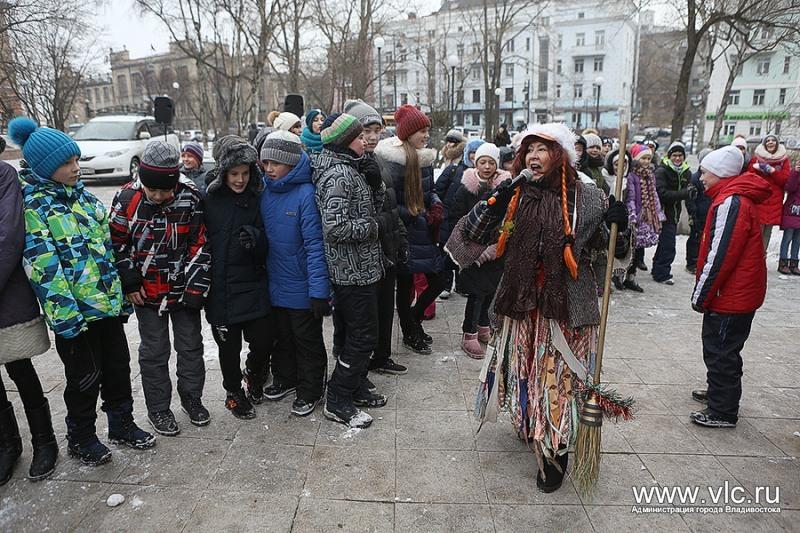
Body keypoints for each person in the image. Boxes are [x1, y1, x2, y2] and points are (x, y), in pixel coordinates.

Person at [458, 123, 628, 492]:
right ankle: (530, 421)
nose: (534, 156)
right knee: (525, 370)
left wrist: (620, 228)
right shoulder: (515, 193)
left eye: (543, 149)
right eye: (529, 149)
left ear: (560, 155)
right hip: (520, 305)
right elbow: (468, 238)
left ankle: (555, 449)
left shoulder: (588, 198)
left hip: (565, 307)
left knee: (557, 378)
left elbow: (608, 251)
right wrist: (495, 202)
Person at [12, 117, 155, 466]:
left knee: (118, 368)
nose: (77, 167)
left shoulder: (87, 200)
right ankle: (81, 436)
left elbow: (108, 251)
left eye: (76, 159)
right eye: (67, 163)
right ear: (45, 168)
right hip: (75, 316)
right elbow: (45, 270)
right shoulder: (35, 208)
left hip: (107, 307)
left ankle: (121, 423)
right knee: (84, 378)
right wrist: (67, 319)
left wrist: (120, 297)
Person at [110, 141, 212, 437]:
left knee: (190, 347)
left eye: (164, 191)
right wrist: (130, 280)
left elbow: (200, 243)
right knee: (154, 352)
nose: (157, 196)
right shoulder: (126, 198)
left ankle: (192, 397)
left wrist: (195, 287)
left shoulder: (190, 197)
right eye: (152, 190)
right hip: (146, 292)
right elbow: (116, 242)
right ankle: (158, 407)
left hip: (183, 291)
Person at [313, 113, 389, 428]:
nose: (366, 140)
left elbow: (372, 205)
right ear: (345, 142)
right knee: (363, 337)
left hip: (363, 267)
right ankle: (338, 397)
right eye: (359, 136)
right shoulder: (338, 175)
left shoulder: (353, 168)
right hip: (351, 271)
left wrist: (375, 183)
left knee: (358, 335)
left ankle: (354, 386)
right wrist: (375, 227)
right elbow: (334, 228)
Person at [689, 146, 770, 428]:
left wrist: (701, 295)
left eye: (705, 172)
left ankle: (722, 410)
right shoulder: (730, 198)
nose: (701, 178)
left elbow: (721, 254)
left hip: (731, 296)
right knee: (721, 349)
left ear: (720, 173)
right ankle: (719, 393)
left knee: (721, 351)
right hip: (735, 293)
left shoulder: (731, 203)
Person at [259, 131, 330, 417]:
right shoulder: (264, 190)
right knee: (281, 338)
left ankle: (311, 388)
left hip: (301, 286)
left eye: (276, 163)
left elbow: (315, 246)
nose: (269, 169)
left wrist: (319, 292)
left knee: (306, 340)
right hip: (273, 283)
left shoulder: (306, 195)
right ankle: (285, 378)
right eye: (266, 162)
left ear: (291, 162)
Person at [203, 136, 271, 419]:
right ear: (223, 173)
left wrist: (256, 240)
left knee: (263, 341)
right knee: (228, 349)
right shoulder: (207, 199)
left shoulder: (257, 197)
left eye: (245, 173)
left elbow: (268, 239)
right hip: (220, 289)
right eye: (234, 174)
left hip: (252, 284)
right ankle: (233, 392)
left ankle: (254, 373)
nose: (240, 180)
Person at [0, 155, 57, 483]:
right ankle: (7, 444)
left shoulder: (4, 175)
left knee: (19, 367)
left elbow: (8, 237)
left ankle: (44, 441)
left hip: (6, 292)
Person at [343, 99, 409, 376]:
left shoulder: (380, 161)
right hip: (366, 253)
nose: (372, 137)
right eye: (365, 132)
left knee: (384, 309)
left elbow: (391, 207)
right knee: (364, 317)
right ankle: (360, 365)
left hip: (387, 248)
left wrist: (401, 240)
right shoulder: (350, 166)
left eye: (376, 131)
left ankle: (382, 356)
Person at [375, 105, 443, 355]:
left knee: (439, 280)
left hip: (424, 231)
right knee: (405, 287)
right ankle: (409, 331)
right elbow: (390, 202)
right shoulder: (393, 161)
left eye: (427, 130)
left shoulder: (424, 159)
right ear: (408, 133)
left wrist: (435, 205)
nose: (426, 135)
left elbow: (430, 190)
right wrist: (416, 214)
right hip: (405, 232)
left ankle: (414, 318)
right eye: (421, 131)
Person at [444, 143, 510, 358]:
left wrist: (500, 243)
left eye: (491, 162)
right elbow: (457, 218)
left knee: (491, 291)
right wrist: (472, 248)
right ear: (475, 163)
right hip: (474, 251)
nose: (487, 166)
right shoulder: (466, 188)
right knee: (476, 294)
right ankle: (469, 333)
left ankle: (484, 326)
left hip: (496, 249)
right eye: (483, 162)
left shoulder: (505, 187)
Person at [435, 136, 482, 299]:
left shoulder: (484, 177)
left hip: (470, 223)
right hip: (448, 219)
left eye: (478, 152)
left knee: (465, 253)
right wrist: (441, 212)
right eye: (472, 152)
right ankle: (446, 285)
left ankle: (462, 285)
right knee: (447, 253)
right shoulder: (454, 170)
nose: (474, 156)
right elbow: (438, 190)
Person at [613, 144, 664, 292]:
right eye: (643, 158)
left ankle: (631, 277)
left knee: (638, 250)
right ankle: (619, 275)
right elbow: (631, 198)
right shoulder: (631, 176)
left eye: (648, 158)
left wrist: (657, 213)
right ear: (636, 159)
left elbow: (654, 195)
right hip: (635, 217)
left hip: (646, 217)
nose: (646, 161)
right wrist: (633, 215)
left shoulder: (650, 175)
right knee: (628, 249)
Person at [652, 141, 693, 284]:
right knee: (668, 245)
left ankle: (658, 270)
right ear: (669, 156)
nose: (677, 158)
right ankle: (662, 274)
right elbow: (662, 194)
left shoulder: (686, 172)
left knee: (665, 244)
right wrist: (684, 193)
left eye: (680, 155)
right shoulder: (662, 171)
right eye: (674, 155)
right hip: (663, 214)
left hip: (675, 214)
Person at [747, 134, 791, 250]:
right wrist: (755, 167)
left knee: (767, 233)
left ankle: (762, 257)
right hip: (759, 200)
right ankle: (753, 257)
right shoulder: (756, 158)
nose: (770, 142)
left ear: (777, 143)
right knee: (756, 232)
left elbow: (784, 180)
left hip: (774, 202)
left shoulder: (783, 160)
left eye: (773, 140)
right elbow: (749, 177)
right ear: (764, 144)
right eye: (767, 141)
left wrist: (772, 171)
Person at [685, 148, 713, 274]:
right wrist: (693, 214)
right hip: (698, 214)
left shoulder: (713, 177)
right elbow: (690, 199)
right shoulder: (695, 178)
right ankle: (691, 263)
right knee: (695, 238)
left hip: (709, 213)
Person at [778, 160, 800, 275]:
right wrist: (795, 172)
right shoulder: (794, 174)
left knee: (798, 240)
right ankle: (783, 262)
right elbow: (789, 188)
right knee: (787, 238)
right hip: (791, 210)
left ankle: (794, 263)